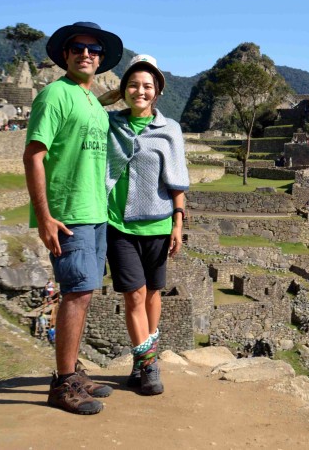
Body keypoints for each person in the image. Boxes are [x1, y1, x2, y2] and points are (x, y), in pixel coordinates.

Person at [23, 21, 123, 415]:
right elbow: (34, 155)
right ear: (65, 55)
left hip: (95, 212)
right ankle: (64, 384)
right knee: (75, 294)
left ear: (100, 58)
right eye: (78, 48)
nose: (86, 54)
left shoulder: (91, 102)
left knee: (84, 294)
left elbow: (99, 113)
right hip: (69, 215)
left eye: (94, 49)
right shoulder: (54, 96)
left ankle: (73, 371)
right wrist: (44, 216)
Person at [105, 54, 189, 396]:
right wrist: (110, 96)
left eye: (147, 86)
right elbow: (87, 110)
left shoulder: (169, 130)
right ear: (124, 88)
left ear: (157, 92)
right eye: (133, 85)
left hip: (157, 224)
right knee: (134, 296)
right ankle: (150, 363)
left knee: (153, 294)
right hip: (119, 224)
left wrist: (178, 222)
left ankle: (140, 363)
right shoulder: (110, 123)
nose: (140, 91)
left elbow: (178, 180)